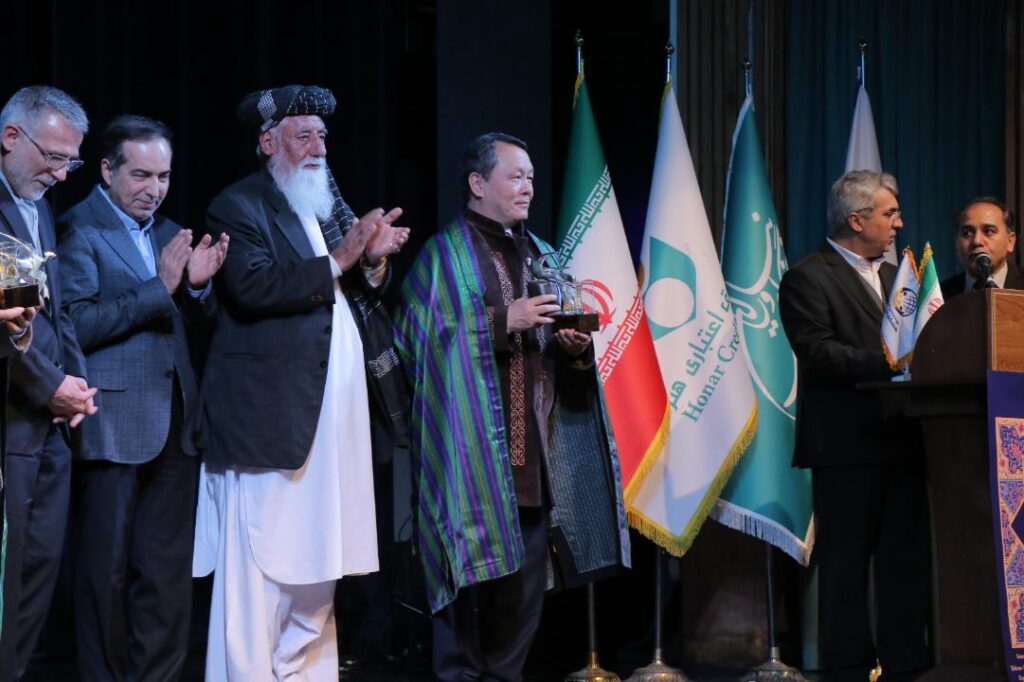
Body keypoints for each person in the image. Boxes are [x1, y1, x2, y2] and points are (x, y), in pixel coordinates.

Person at [394, 132, 631, 682]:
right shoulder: (444, 256)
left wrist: (574, 348)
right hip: (468, 466)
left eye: (531, 177)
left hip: (533, 464)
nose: (527, 188)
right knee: (464, 603)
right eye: (514, 176)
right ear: (478, 184)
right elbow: (417, 341)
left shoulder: (543, 254)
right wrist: (504, 321)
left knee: (521, 606)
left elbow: (563, 346)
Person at [192, 84, 409, 681]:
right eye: (303, 136)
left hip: (332, 422)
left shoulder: (325, 205)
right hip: (269, 423)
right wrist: (343, 258)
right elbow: (251, 287)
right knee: (261, 572)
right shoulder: (239, 205)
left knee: (321, 563)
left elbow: (355, 290)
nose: (319, 148)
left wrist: (372, 259)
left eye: (323, 136)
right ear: (268, 143)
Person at [57, 114, 229, 681]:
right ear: (107, 170)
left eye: (164, 176)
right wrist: (161, 287)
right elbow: (74, 326)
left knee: (166, 574)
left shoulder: (169, 231)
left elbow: (195, 325)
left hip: (176, 421)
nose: (154, 189)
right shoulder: (77, 229)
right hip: (112, 421)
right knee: (103, 574)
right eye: (141, 175)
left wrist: (198, 288)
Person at [779, 170, 931, 682]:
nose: (899, 223)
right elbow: (819, 354)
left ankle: (907, 667)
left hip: (903, 441)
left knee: (905, 567)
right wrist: (892, 362)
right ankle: (847, 670)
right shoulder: (807, 277)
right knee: (845, 570)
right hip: (846, 448)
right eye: (890, 214)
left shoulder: (896, 279)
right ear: (857, 219)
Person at [0, 85, 98, 680]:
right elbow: (6, 324)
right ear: (11, 136)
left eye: (70, 162)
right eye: (54, 157)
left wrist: (75, 384)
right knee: (7, 579)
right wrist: (49, 387)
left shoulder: (37, 209)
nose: (61, 174)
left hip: (48, 427)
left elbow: (53, 316)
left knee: (38, 575)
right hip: (10, 423)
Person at [941, 197, 1022, 299]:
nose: (977, 241)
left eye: (988, 231)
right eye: (967, 233)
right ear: (957, 243)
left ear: (1010, 242)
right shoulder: (939, 298)